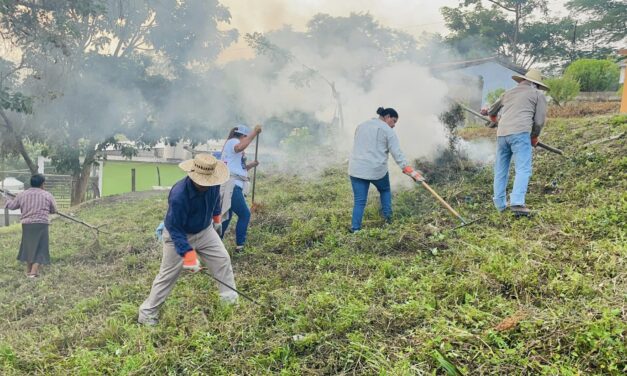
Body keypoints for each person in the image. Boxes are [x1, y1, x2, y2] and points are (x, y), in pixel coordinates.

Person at [138, 154, 236, 326]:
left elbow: (216, 202)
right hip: (179, 234)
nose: (206, 184)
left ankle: (229, 302)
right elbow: (175, 228)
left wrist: (217, 220)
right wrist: (188, 255)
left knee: (222, 260)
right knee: (168, 275)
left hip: (205, 230)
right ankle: (147, 314)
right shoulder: (179, 195)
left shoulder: (214, 183)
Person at [348, 107, 424, 232]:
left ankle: (355, 229)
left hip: (356, 168)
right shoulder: (388, 131)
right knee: (385, 190)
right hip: (375, 169)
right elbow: (397, 154)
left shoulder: (361, 125)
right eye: (394, 121)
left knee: (359, 201)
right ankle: (388, 219)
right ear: (387, 117)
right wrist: (409, 171)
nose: (394, 125)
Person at [486, 68, 548, 215]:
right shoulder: (537, 94)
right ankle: (517, 203)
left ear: (523, 81)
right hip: (520, 134)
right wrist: (534, 136)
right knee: (523, 168)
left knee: (501, 170)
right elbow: (539, 121)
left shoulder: (508, 93)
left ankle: (500, 205)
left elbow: (491, 113)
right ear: (536, 84)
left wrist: (496, 121)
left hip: (502, 135)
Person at [3, 174, 58, 278]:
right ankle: (33, 272)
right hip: (41, 224)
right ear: (42, 184)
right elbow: (54, 210)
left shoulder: (22, 195)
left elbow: (12, 206)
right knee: (41, 247)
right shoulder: (47, 195)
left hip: (27, 225)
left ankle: (29, 270)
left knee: (29, 247)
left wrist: (7, 198)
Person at [219, 124, 262, 253]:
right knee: (245, 214)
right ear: (243, 136)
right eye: (246, 137)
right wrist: (254, 133)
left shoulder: (230, 145)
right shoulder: (234, 141)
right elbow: (239, 147)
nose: (246, 140)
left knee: (227, 215)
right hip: (232, 185)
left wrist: (250, 165)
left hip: (231, 184)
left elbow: (238, 168)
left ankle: (215, 243)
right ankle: (240, 246)